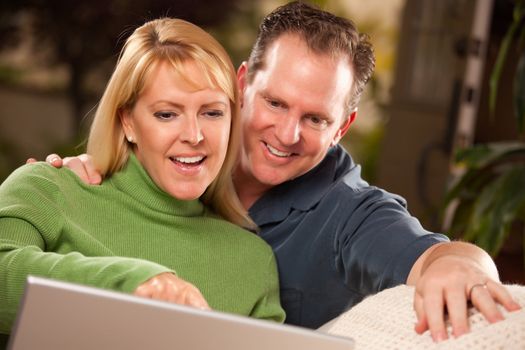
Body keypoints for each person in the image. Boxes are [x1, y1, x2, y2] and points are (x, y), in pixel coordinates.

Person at [36, 1, 520, 343]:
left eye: (315, 118)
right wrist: (71, 181)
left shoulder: (349, 213)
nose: (287, 133)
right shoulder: (185, 154)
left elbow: (438, 256)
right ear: (244, 83)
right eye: (275, 102)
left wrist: (463, 267)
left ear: (342, 127)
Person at [0, 17, 285, 340]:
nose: (194, 135)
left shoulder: (252, 262)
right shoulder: (48, 188)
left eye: (212, 112)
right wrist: (133, 284)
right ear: (128, 122)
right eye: (167, 114)